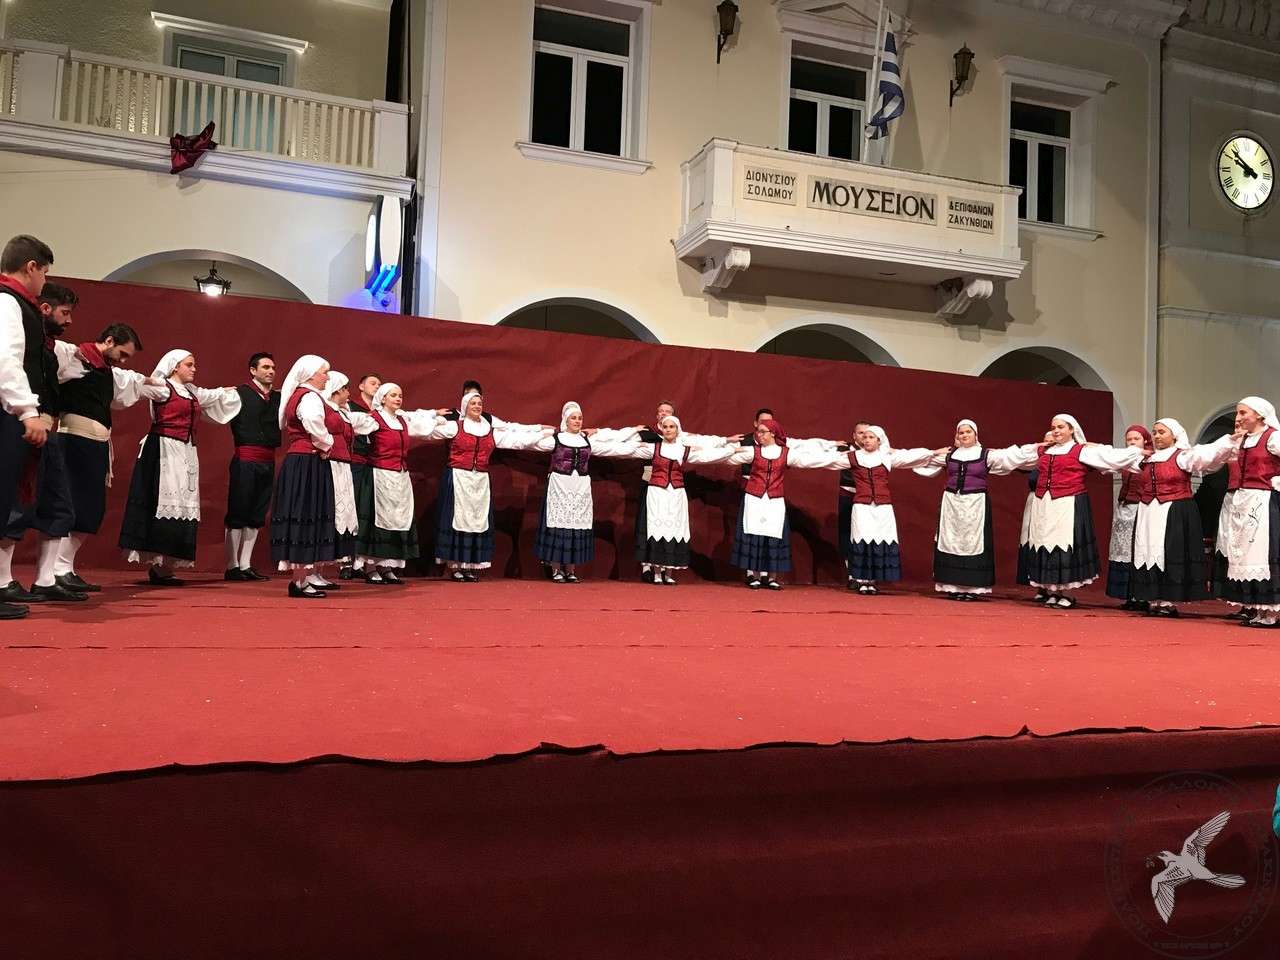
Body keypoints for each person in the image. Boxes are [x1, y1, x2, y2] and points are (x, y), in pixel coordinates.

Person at [117, 350, 241, 585]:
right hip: (163, 450)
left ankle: (167, 565)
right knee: (163, 502)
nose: (194, 369)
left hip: (185, 451)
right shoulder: (163, 388)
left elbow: (212, 395)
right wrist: (134, 378)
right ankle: (158, 565)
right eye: (189, 365)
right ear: (175, 367)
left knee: (182, 504)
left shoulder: (192, 392)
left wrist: (230, 391)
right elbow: (137, 385)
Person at [50, 321, 153, 593]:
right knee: (68, 505)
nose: (123, 360)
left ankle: (64, 567)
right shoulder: (74, 357)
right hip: (73, 442)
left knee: (90, 508)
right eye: (122, 353)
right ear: (109, 341)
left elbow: (134, 379)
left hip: (96, 445)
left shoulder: (108, 371)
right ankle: (55, 570)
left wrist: (158, 381)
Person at [0, 277, 83, 602]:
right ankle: (3, 579)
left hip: (47, 429)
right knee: (16, 503)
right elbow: (8, 366)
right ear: (45, 309)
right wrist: (26, 413)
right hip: (24, 424)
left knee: (58, 504)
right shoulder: (21, 334)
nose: (69, 320)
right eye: (65, 312)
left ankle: (46, 579)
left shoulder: (51, 348)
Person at [1007, 414, 1145, 609]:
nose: (1056, 431)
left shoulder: (1081, 451)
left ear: (1071, 429)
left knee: (1064, 545)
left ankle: (1067, 593)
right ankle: (1053, 591)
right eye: (1054, 427)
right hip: (1044, 505)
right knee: (1046, 543)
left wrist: (1136, 451)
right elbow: (1015, 457)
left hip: (1068, 503)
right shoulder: (1044, 451)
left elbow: (1110, 457)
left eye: (1061, 427)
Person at [413, 389, 550, 581]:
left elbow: (517, 440)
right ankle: (456, 566)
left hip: (480, 482)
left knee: (476, 521)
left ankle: (469, 565)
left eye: (479, 403)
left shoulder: (489, 430)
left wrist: (544, 433)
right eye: (473, 403)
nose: (477, 406)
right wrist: (433, 417)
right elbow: (423, 432)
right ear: (465, 407)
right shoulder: (454, 427)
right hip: (459, 478)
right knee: (458, 520)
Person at [1128, 418, 1238, 617]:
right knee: (1148, 551)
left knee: (1169, 551)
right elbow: (1112, 458)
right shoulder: (1146, 459)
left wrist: (1230, 440)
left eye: (1162, 432)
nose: (1157, 436)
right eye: (1155, 432)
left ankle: (1168, 601)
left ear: (1174, 435)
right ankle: (1153, 599)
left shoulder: (1183, 456)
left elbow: (1209, 453)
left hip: (1173, 510)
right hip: (1147, 512)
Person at [610, 414, 738, 585]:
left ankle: (668, 572)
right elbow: (624, 450)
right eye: (666, 427)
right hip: (656, 493)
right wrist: (593, 445)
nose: (668, 430)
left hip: (676, 494)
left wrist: (731, 450)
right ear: (661, 429)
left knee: (673, 529)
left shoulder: (683, 449)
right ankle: (657, 573)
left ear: (677, 430)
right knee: (657, 528)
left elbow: (707, 456)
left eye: (672, 427)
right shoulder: (653, 448)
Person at [724, 417, 849, 589]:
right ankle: (753, 575)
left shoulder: (785, 453)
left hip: (774, 500)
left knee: (773, 534)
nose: (759, 435)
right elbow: (727, 458)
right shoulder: (753, 451)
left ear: (773, 433)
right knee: (753, 534)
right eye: (758, 432)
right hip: (754, 498)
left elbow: (811, 460)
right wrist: (722, 449)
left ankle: (771, 577)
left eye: (763, 432)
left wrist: (842, 457)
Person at [0, 235, 54, 619]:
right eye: (45, 273)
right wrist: (26, 411)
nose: (44, 281)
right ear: (31, 266)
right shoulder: (8, 301)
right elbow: (7, 360)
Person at [914, 419, 1027, 600]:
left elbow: (1013, 456)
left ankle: (972, 588)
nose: (965, 435)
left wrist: (1038, 448)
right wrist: (892, 452)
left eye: (968, 432)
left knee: (973, 542)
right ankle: (953, 586)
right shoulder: (949, 455)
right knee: (952, 540)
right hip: (952, 503)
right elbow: (918, 460)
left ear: (976, 434)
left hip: (976, 503)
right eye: (961, 432)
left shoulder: (986, 455)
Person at [269, 356, 351, 598]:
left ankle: (302, 578)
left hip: (305, 460)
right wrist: (327, 444)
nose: (327, 376)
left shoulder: (305, 395)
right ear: (311, 374)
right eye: (324, 372)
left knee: (308, 513)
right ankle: (299, 581)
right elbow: (314, 423)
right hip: (307, 462)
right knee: (306, 513)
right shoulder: (309, 397)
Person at [526, 401, 634, 582]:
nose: (577, 421)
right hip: (560, 486)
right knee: (559, 526)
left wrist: (638, 443)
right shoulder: (556, 439)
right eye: (573, 418)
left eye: (579, 418)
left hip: (580, 487)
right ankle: (556, 569)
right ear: (566, 420)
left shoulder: (587, 440)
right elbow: (528, 444)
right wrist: (541, 432)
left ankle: (571, 570)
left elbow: (614, 447)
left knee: (576, 527)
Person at [842, 422, 941, 595]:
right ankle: (863, 580)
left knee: (879, 539)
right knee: (862, 539)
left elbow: (910, 456)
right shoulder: (853, 457)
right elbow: (825, 460)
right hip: (862, 506)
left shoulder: (886, 457)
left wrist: (933, 453)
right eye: (865, 437)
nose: (867, 440)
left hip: (883, 507)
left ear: (879, 440)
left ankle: (873, 581)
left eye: (871, 437)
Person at [1215, 397, 1280, 627]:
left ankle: (1271, 612)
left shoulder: (1273, 437)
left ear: (1260, 415)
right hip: (1243, 501)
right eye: (1238, 413)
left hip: (1263, 500)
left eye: (1243, 413)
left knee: (1263, 552)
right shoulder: (1242, 440)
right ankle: (1257, 608)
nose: (1238, 417)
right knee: (1247, 554)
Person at [351, 383, 423, 584]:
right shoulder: (374, 419)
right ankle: (371, 567)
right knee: (378, 521)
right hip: (379, 475)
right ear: (382, 398)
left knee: (396, 519)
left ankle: (387, 566)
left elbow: (425, 424)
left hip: (399, 477)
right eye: (393, 395)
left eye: (400, 395)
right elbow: (350, 424)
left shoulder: (402, 420)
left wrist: (436, 416)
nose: (398, 398)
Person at [224, 353, 280, 581]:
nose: (271, 371)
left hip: (267, 461)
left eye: (273, 367)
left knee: (257, 513)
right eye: (265, 367)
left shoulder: (278, 397)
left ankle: (246, 564)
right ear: (253, 370)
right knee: (238, 511)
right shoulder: (239, 393)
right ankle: (232, 565)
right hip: (245, 460)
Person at [1104, 425, 1153, 610]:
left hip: (1140, 509)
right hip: (1124, 509)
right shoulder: (1125, 459)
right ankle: (1129, 596)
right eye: (1129, 439)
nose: (1132, 442)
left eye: (1136, 439)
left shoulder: (1151, 459)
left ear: (1145, 440)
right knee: (1123, 551)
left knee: (1138, 551)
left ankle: (1142, 596)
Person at [340, 372, 379, 580]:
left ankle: (360, 561)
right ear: (361, 386)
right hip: (353, 462)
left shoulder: (381, 410)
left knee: (366, 512)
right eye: (373, 383)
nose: (376, 386)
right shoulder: (350, 407)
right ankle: (345, 561)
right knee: (350, 509)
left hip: (371, 465)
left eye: (379, 384)